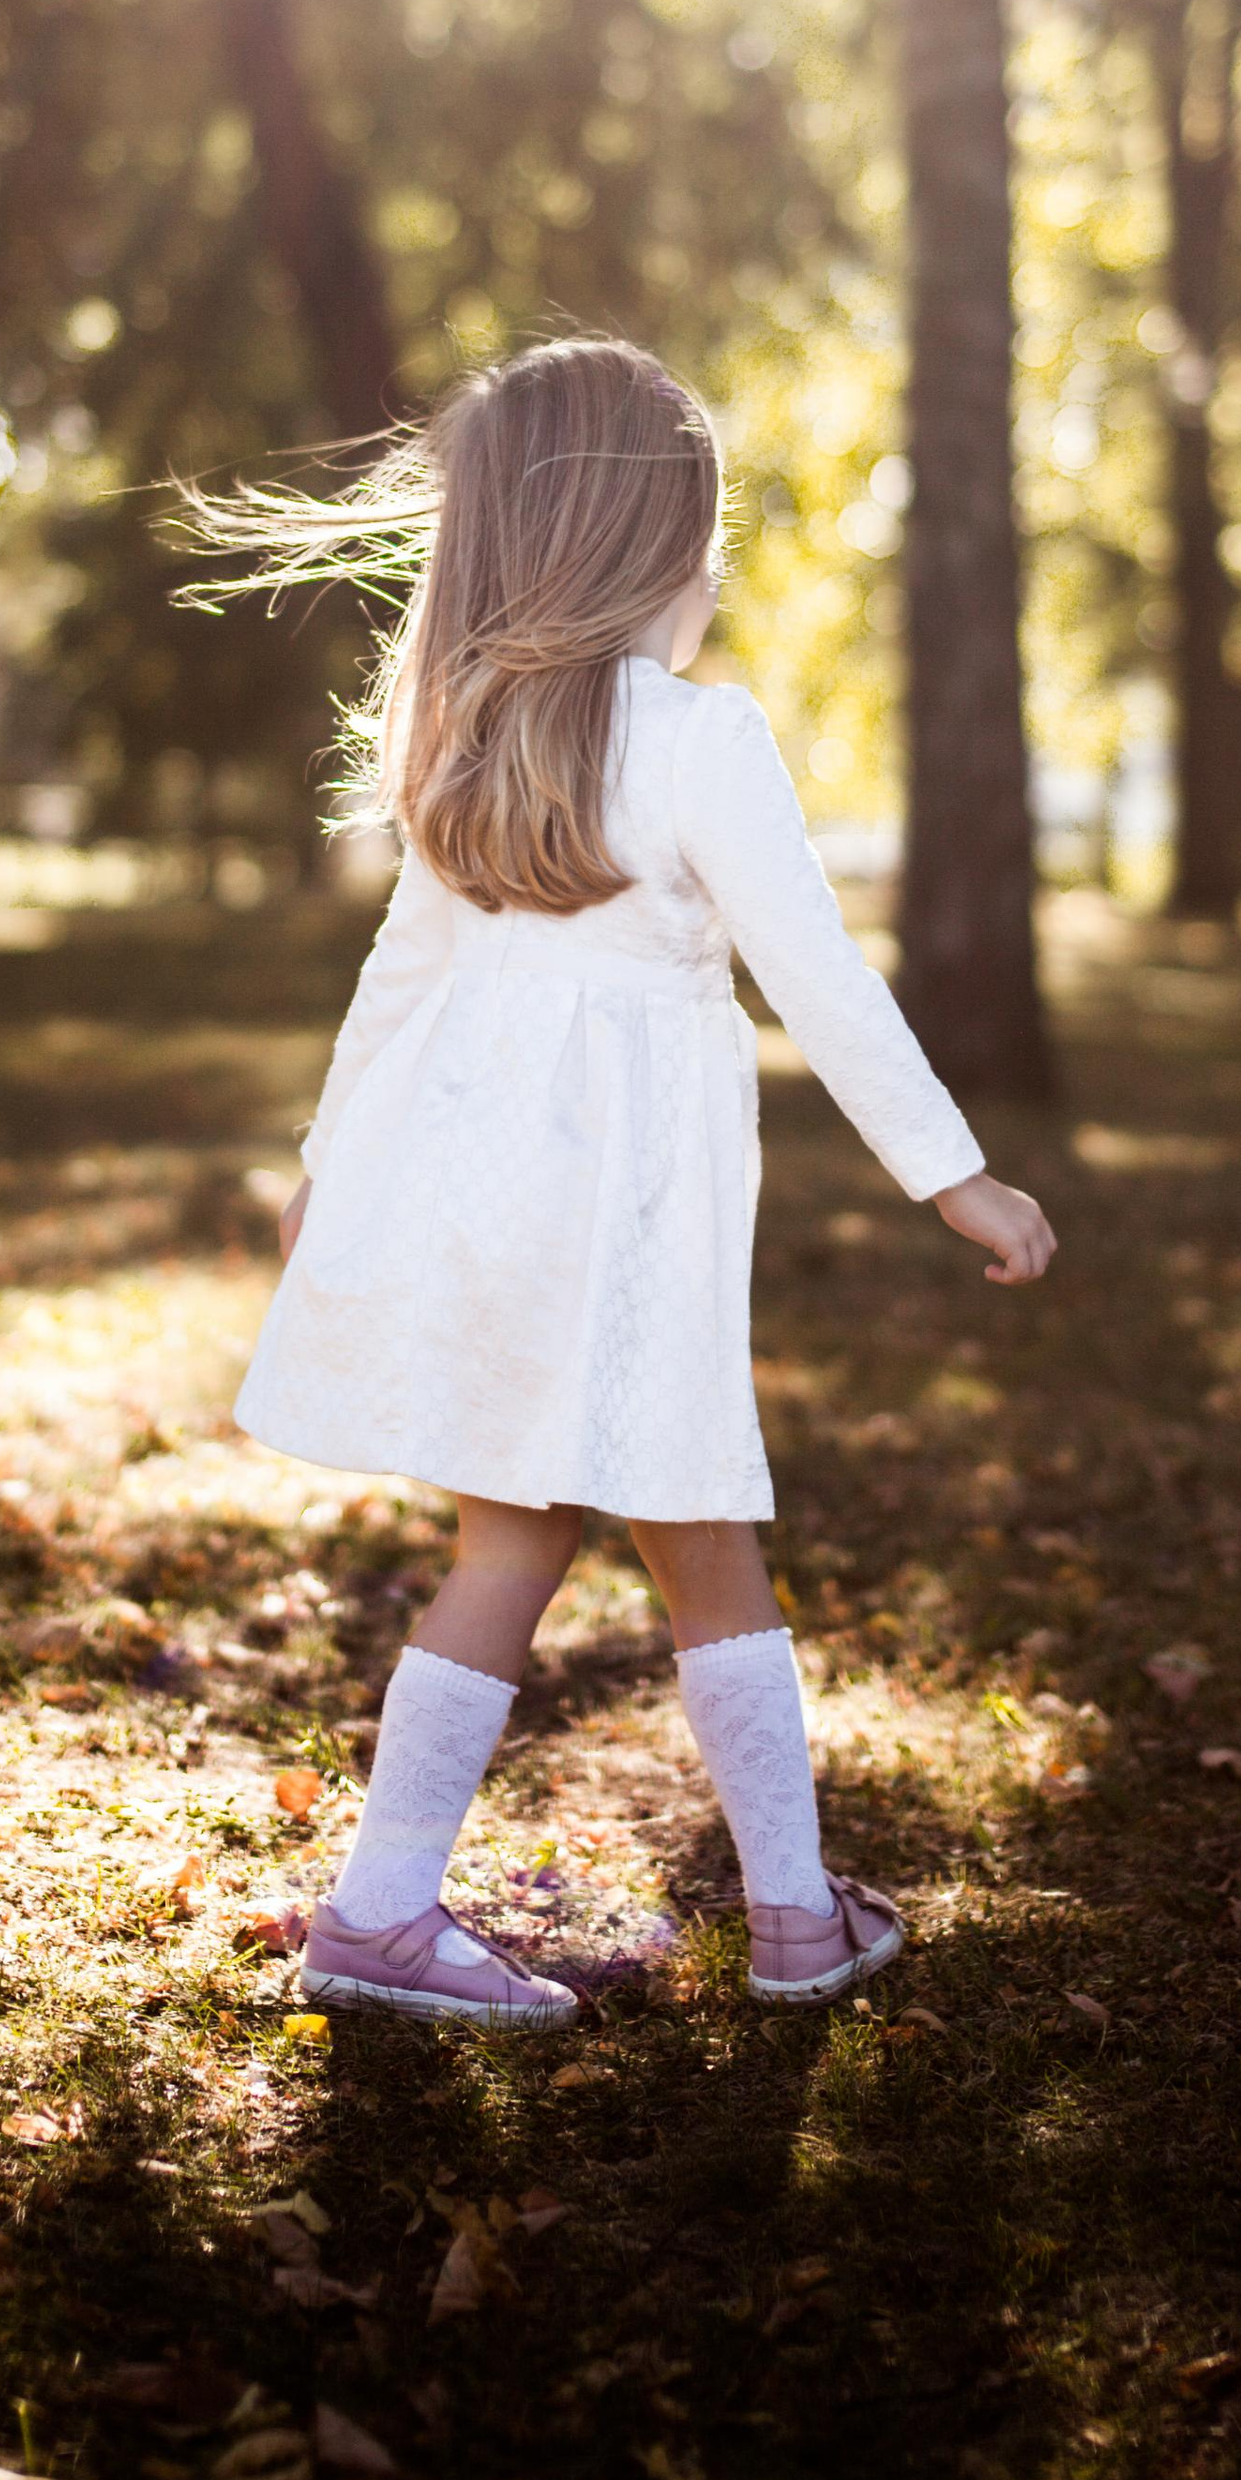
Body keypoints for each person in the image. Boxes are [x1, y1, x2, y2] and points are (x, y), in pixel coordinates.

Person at [188, 337, 1056, 2028]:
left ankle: (449, 1909)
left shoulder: (468, 741)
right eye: (703, 538)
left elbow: (399, 985)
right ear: (652, 548)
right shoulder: (701, 739)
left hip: (490, 1200)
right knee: (691, 1526)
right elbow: (821, 980)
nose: (712, 573)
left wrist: (328, 1165)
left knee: (538, 1534)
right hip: (634, 1224)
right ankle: (745, 1914)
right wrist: (953, 1175)